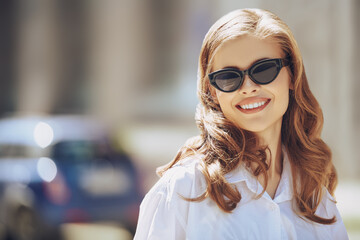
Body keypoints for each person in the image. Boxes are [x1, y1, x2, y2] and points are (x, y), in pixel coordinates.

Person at [134, 8, 348, 240]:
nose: (247, 87)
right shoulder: (183, 190)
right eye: (229, 77)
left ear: (291, 75)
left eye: (264, 70)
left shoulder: (314, 195)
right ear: (213, 92)